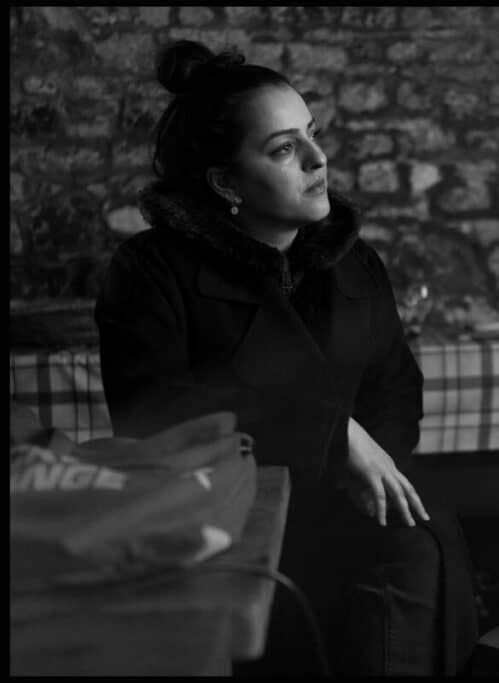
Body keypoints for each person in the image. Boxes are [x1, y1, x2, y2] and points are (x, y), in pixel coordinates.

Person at [94, 40, 478, 676]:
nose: (319, 159)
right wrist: (331, 437)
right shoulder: (151, 271)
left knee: (424, 546)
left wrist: (365, 472)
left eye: (312, 134)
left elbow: (395, 389)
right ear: (224, 183)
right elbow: (153, 416)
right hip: (232, 528)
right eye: (283, 149)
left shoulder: (353, 261)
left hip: (351, 512)